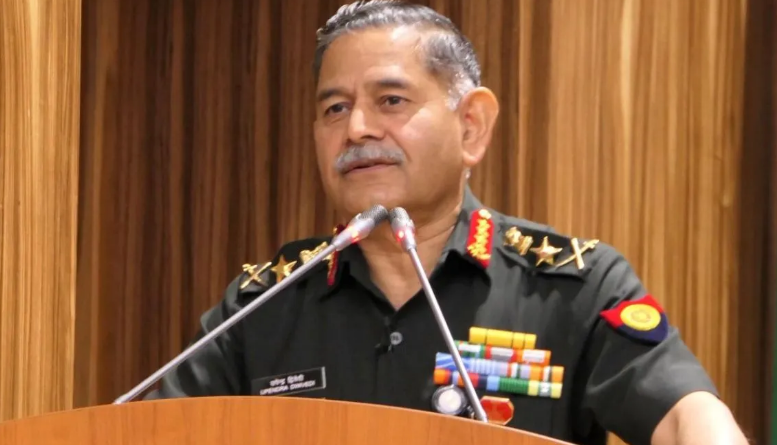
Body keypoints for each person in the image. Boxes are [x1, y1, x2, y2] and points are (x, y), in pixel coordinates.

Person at [146, 1, 748, 444]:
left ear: (470, 126)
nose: (356, 129)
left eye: (391, 101)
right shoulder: (266, 303)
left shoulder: (572, 289)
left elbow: (683, 417)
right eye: (335, 108)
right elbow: (153, 430)